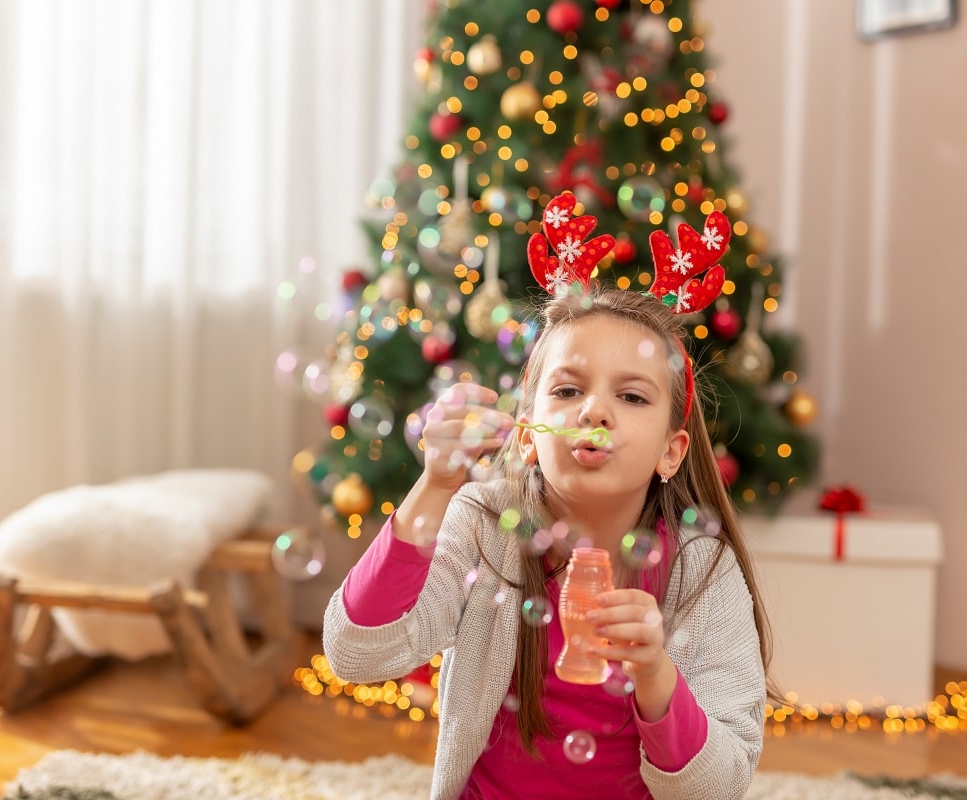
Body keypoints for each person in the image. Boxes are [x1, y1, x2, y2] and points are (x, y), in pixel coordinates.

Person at [323, 195, 774, 799]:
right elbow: (356, 654)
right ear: (529, 432)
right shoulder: (485, 525)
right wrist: (435, 484)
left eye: (633, 397)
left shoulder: (702, 569)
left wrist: (655, 675)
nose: (594, 410)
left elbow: (717, 787)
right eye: (567, 389)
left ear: (672, 452)